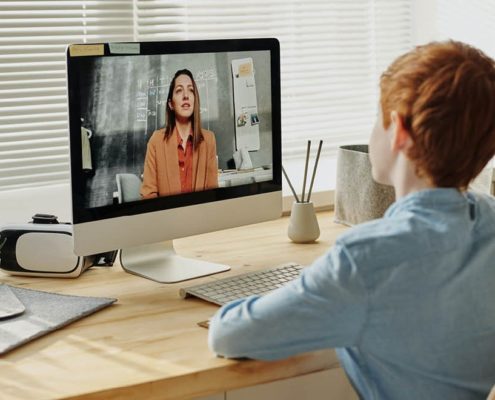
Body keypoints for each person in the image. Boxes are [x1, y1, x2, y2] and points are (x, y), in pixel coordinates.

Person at [208, 41, 495, 399]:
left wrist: (305, 291)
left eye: (379, 117)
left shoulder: (364, 261)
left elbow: (228, 335)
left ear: (400, 133)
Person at [141, 69, 218, 199]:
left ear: (195, 100)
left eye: (191, 90)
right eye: (179, 90)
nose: (186, 95)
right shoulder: (156, 141)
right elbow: (148, 195)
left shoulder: (209, 140)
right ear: (171, 104)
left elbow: (213, 194)